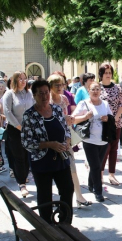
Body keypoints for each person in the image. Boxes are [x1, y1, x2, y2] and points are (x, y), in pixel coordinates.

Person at [21, 80, 74, 223]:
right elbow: (26, 142)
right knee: (45, 196)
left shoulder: (56, 109)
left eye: (46, 92)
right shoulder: (29, 115)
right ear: (34, 95)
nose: (44, 96)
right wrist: (49, 144)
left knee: (68, 189)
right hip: (42, 161)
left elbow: (66, 130)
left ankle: (65, 222)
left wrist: (67, 142)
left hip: (61, 159)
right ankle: (46, 227)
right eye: (40, 93)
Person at [47, 73, 91, 209]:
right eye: (57, 85)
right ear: (50, 86)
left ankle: (79, 196)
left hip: (65, 138)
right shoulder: (47, 101)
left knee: (72, 167)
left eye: (61, 84)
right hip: (51, 140)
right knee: (52, 171)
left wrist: (71, 120)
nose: (60, 87)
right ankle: (52, 201)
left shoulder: (65, 99)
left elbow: (69, 117)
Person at [72, 82, 112, 202]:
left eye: (97, 89)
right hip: (89, 140)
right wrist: (85, 116)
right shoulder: (83, 104)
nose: (95, 91)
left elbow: (112, 118)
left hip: (103, 140)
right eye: (93, 89)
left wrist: (107, 119)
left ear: (101, 91)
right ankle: (98, 192)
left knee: (97, 165)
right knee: (95, 166)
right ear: (88, 91)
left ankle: (91, 184)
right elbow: (73, 119)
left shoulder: (105, 104)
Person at [2, 71, 35, 198]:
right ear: (14, 81)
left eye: (24, 79)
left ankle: (24, 176)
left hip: (29, 129)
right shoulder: (9, 94)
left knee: (28, 155)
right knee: (19, 156)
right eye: (20, 79)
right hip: (15, 129)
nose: (23, 81)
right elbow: (8, 112)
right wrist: (20, 127)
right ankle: (21, 183)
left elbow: (34, 109)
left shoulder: (29, 93)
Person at [99, 63, 122, 186]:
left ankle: (112, 174)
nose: (108, 75)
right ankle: (100, 173)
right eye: (106, 73)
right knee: (104, 148)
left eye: (110, 73)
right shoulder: (97, 88)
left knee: (114, 149)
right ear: (101, 74)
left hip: (116, 122)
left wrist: (115, 119)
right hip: (102, 123)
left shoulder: (117, 88)